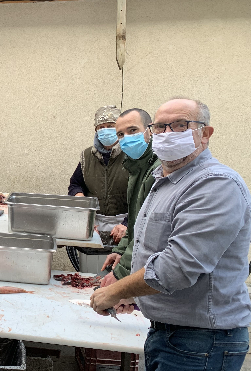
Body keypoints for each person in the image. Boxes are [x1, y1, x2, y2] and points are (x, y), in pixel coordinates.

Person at [90, 98, 251, 371]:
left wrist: (116, 291)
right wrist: (136, 296)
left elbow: (178, 267)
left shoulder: (215, 184)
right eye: (160, 127)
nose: (167, 134)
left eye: (179, 125)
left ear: (205, 134)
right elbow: (149, 249)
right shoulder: (163, 181)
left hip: (201, 343)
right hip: (169, 335)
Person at [99, 108, 160, 288]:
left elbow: (147, 230)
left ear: (150, 130)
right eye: (121, 134)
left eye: (133, 131)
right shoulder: (135, 168)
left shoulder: (157, 170)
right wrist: (120, 251)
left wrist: (121, 273)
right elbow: (135, 221)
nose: (126, 138)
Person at [68, 105, 129, 245]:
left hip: (124, 224)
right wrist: (83, 207)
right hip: (94, 222)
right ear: (95, 129)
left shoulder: (131, 154)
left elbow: (142, 196)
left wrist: (127, 224)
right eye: (101, 127)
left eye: (110, 125)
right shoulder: (87, 156)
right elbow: (75, 184)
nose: (105, 130)